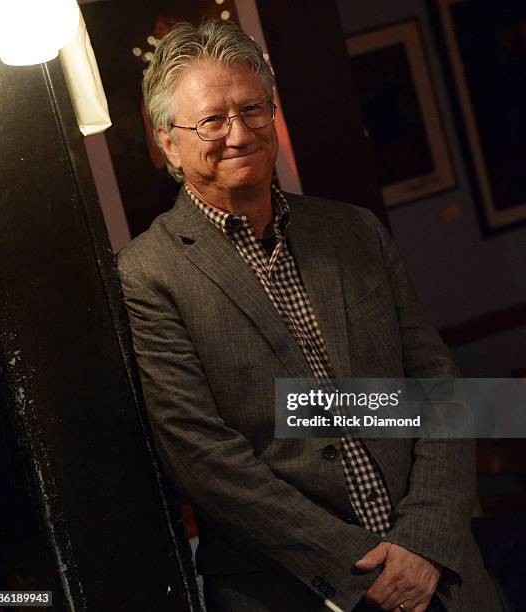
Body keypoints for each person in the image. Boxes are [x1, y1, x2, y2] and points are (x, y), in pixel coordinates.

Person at [117, 19, 501, 612]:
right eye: (212, 120)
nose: (239, 133)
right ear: (168, 142)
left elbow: (436, 385)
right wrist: (356, 567)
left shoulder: (353, 230)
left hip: (443, 579)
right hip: (290, 592)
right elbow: (202, 454)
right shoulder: (147, 274)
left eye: (253, 109)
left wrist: (423, 542)